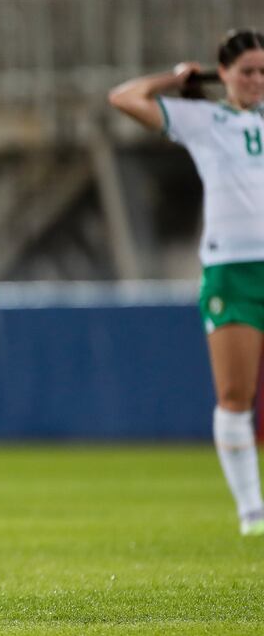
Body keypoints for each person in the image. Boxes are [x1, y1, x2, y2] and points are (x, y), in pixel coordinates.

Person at [109, 29, 264, 537]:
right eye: (247, 71)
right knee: (236, 395)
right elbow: (124, 97)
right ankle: (252, 513)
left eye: (263, 71)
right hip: (232, 270)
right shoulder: (204, 118)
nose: (256, 80)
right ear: (223, 74)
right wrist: (175, 80)